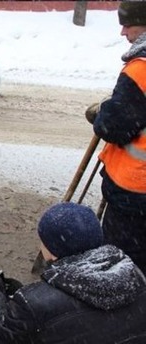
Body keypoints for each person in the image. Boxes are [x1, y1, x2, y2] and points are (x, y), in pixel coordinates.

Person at [0, 202, 146, 344]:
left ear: (52, 251)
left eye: (43, 241)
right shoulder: (135, 276)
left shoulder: (34, 304)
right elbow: (75, 318)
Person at [85, 0, 146, 272]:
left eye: (128, 24)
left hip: (135, 189)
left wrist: (104, 112)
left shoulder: (140, 69)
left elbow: (114, 127)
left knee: (123, 263)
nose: (123, 32)